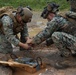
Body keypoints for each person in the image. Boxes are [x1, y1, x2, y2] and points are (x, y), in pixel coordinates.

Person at [28, 1, 76, 69]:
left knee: (55, 35)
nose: (48, 21)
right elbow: (53, 38)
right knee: (56, 35)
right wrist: (44, 42)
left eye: (47, 18)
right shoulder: (65, 17)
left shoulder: (56, 20)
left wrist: (32, 41)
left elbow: (45, 34)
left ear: (50, 14)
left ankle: (70, 60)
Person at [0, 6, 33, 75]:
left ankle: (23, 53)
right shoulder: (7, 20)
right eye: (23, 21)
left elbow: (25, 31)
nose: (23, 23)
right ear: (18, 16)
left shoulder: (23, 19)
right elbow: (10, 37)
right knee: (7, 51)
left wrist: (27, 39)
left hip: (11, 32)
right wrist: (23, 45)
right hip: (2, 33)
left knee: (24, 40)